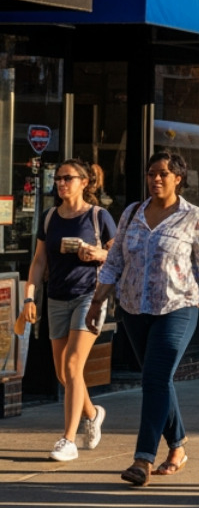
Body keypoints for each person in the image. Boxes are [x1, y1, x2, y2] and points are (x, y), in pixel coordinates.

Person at [90, 152, 199, 486]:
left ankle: (142, 458)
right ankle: (178, 445)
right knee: (157, 379)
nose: (156, 179)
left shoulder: (194, 217)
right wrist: (97, 302)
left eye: (163, 173)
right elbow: (115, 261)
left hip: (178, 307)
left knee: (155, 378)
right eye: (151, 173)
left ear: (178, 178)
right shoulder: (132, 213)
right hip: (134, 308)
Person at [22, 159, 116, 461]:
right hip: (56, 297)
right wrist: (29, 297)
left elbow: (118, 256)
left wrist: (97, 253)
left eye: (68, 178)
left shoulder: (98, 216)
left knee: (74, 364)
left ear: (84, 182)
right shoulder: (50, 217)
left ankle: (68, 439)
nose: (61, 183)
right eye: (58, 179)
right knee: (63, 372)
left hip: (90, 296)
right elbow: (39, 261)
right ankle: (93, 413)